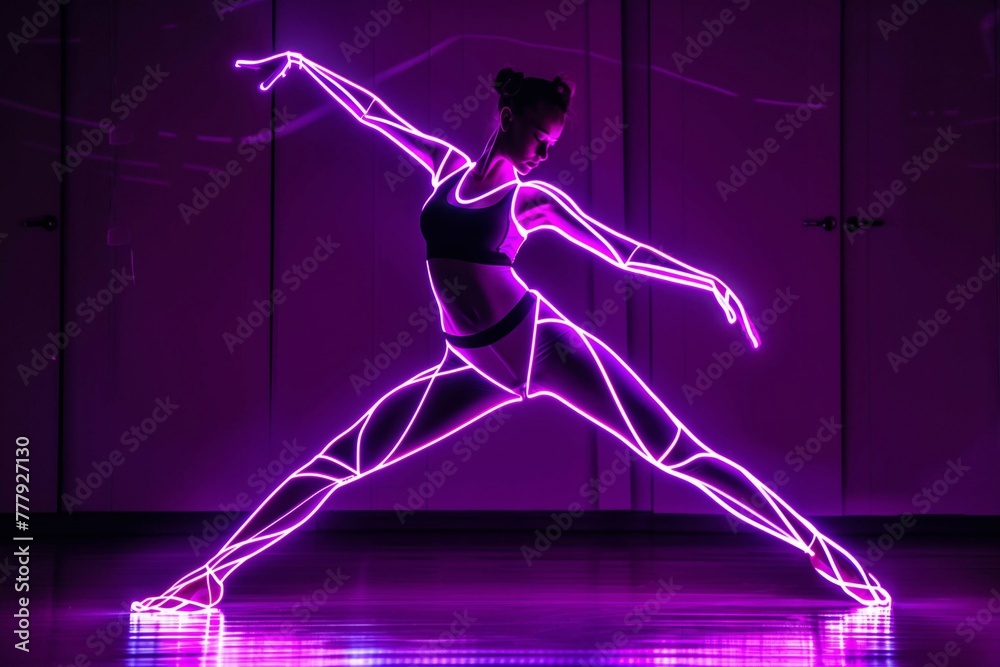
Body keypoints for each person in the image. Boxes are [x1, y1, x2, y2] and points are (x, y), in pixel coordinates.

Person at [130, 52, 890, 613]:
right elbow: (372, 114)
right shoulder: (446, 168)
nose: (542, 150)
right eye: (537, 135)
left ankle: (827, 555)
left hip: (542, 346)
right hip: (470, 365)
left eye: (552, 145)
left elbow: (620, 251)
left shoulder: (535, 202)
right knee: (339, 461)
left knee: (678, 452)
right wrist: (301, 63)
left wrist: (711, 282)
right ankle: (210, 575)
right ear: (511, 119)